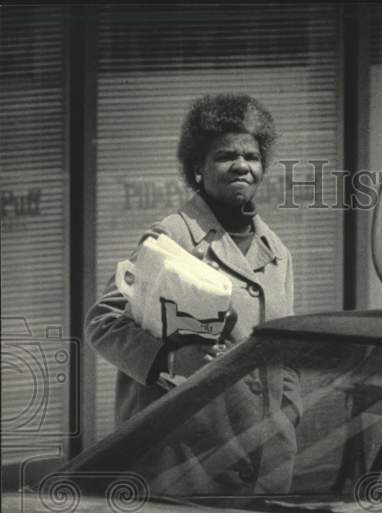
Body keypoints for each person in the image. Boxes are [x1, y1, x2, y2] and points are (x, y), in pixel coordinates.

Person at [86, 92, 297, 425]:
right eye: (226, 155)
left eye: (252, 157)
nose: (242, 165)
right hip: (184, 455)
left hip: (262, 454)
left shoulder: (277, 253)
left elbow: (285, 351)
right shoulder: (170, 238)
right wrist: (170, 360)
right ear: (199, 167)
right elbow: (103, 323)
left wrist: (289, 414)